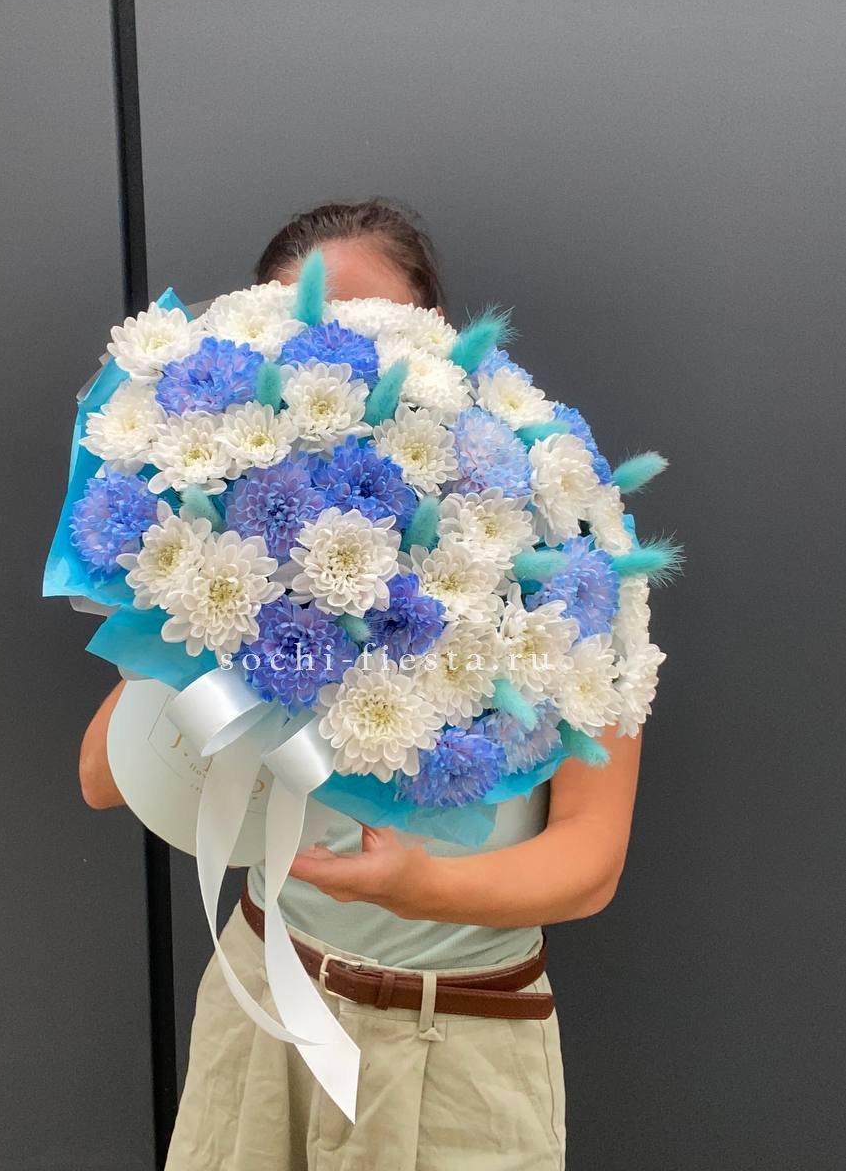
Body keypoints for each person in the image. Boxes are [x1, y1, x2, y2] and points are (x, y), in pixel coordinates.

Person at [79, 198, 643, 1170]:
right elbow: (102, 776)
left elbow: (590, 860)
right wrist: (195, 581)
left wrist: (426, 887)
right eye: (305, 334)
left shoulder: (562, 553)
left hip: (457, 1046)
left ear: (438, 339)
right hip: (262, 1010)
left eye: (372, 327)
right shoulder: (244, 547)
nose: (337, 362)